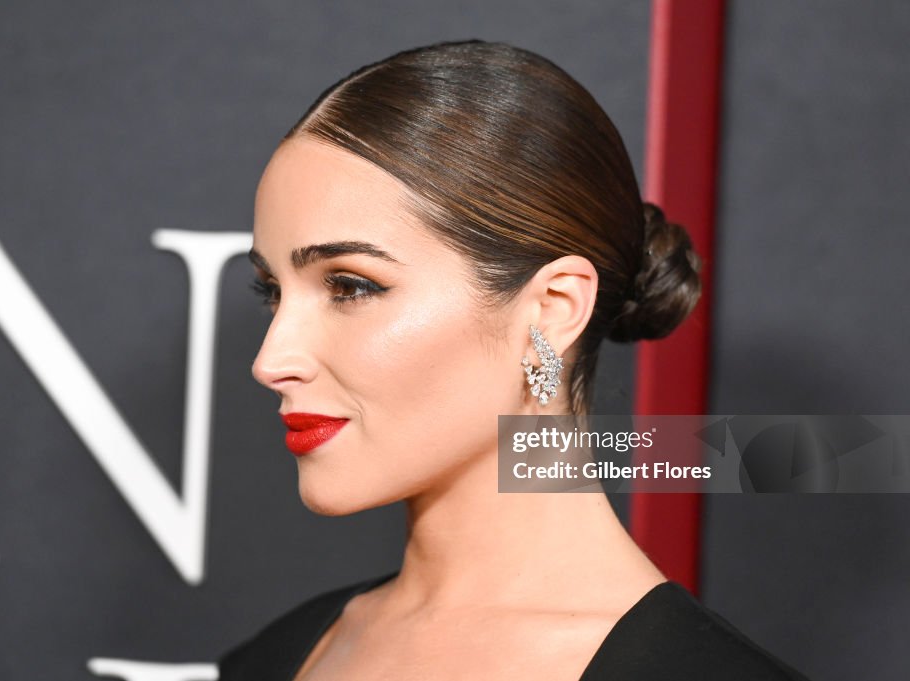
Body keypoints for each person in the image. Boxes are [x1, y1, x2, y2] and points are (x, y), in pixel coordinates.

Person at [219, 40, 810, 680]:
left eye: (351, 286)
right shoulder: (274, 659)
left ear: (553, 309)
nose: (271, 360)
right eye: (272, 292)